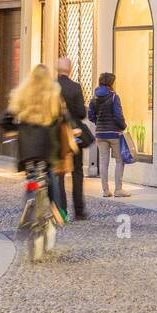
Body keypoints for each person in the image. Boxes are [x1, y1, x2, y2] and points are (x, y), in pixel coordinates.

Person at [0, 65, 74, 210]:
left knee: (31, 176)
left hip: (27, 149)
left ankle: (28, 208)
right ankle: (58, 211)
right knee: (51, 177)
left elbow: (3, 119)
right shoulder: (53, 94)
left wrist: (17, 129)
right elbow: (64, 119)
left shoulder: (22, 94)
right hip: (48, 147)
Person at [55, 57, 89, 220]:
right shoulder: (75, 87)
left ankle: (62, 210)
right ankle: (79, 210)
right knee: (77, 172)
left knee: (59, 173)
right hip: (73, 134)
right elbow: (82, 113)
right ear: (70, 70)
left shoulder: (50, 88)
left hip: (56, 135)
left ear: (56, 69)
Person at [87, 72, 130, 198]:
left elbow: (90, 116)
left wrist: (99, 123)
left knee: (104, 162)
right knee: (119, 161)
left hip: (100, 134)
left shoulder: (94, 97)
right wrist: (123, 126)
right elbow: (118, 115)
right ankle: (118, 189)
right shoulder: (114, 97)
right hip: (114, 133)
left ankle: (105, 191)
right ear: (111, 83)